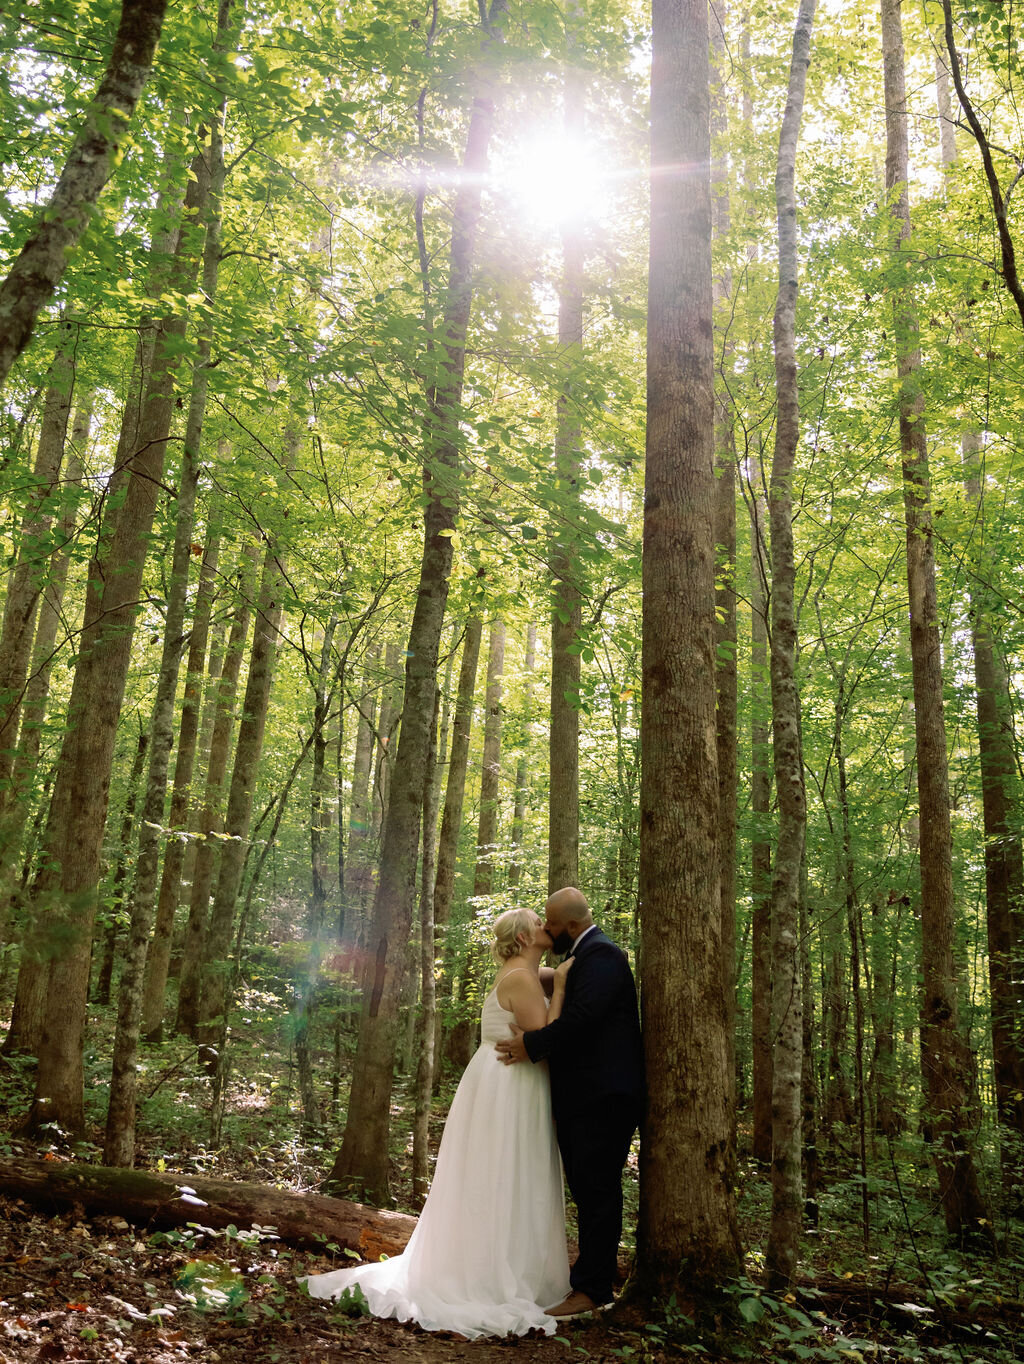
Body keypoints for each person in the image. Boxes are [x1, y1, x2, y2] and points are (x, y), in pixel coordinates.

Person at [302, 907, 573, 1339]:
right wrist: (558, 986)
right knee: (507, 1174)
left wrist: (553, 975)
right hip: (510, 1085)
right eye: (537, 922)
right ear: (523, 938)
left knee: (505, 1175)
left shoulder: (519, 972)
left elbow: (539, 989)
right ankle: (494, 1275)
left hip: (502, 1081)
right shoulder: (522, 978)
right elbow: (546, 1034)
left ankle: (501, 1262)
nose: (546, 925)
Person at [495, 885, 643, 1318]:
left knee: (597, 1190)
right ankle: (590, 1281)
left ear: (572, 925)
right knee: (588, 1187)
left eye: (552, 922)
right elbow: (539, 978)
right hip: (587, 1095)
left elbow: (583, 1019)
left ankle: (592, 1289)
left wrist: (533, 1044)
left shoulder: (604, 956)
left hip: (604, 1095)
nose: (547, 927)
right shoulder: (581, 956)